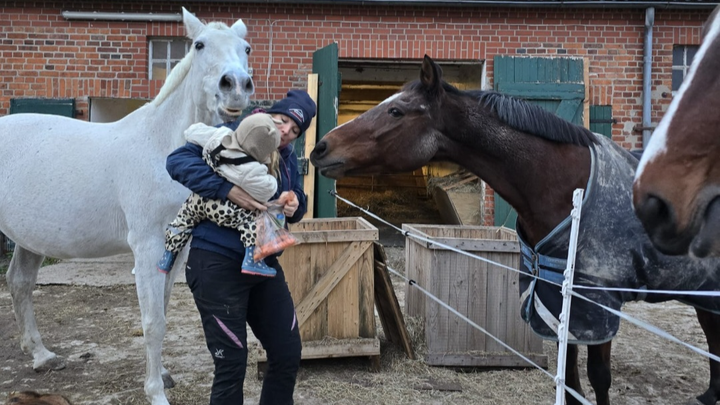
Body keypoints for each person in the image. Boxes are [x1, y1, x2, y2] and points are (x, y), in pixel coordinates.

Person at [165, 89, 316, 405]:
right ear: (271, 114)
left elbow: (298, 202)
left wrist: (295, 203)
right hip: (216, 263)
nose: (286, 131)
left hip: (264, 263)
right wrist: (225, 188)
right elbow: (177, 161)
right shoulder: (233, 133)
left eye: (295, 130)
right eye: (283, 120)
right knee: (231, 362)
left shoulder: (288, 157)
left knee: (287, 352)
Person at [157, 113, 282, 277]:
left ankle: (168, 256)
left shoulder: (218, 136)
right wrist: (267, 170)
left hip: (199, 200)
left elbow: (193, 132)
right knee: (253, 219)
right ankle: (252, 260)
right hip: (222, 207)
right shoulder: (250, 169)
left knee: (183, 220)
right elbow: (267, 190)